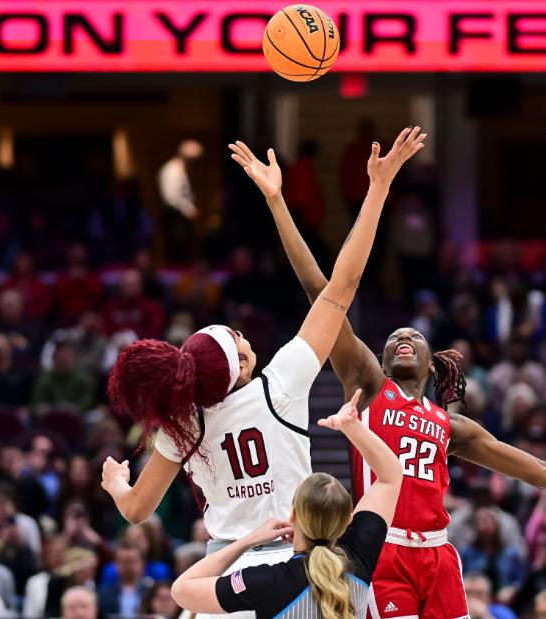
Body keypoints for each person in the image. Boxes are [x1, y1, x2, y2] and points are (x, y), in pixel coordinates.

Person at [251, 130, 546, 619]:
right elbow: (321, 290)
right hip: (382, 549)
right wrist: (277, 203)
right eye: (393, 337)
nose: (401, 338)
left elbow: (541, 473)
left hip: (439, 554)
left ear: (433, 361)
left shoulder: (451, 427)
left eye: (412, 337)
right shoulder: (370, 387)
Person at [102, 127, 425, 619]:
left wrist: (115, 485)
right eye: (236, 336)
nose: (243, 334)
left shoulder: (182, 421)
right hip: (302, 568)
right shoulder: (281, 385)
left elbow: (136, 511)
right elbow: (344, 283)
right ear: (243, 364)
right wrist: (375, 188)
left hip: (224, 580)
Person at [168, 388, 402, 618]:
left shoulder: (269, 581)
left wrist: (247, 540)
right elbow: (391, 476)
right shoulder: (359, 554)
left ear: (293, 515)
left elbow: (182, 591)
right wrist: (353, 427)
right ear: (348, 520)